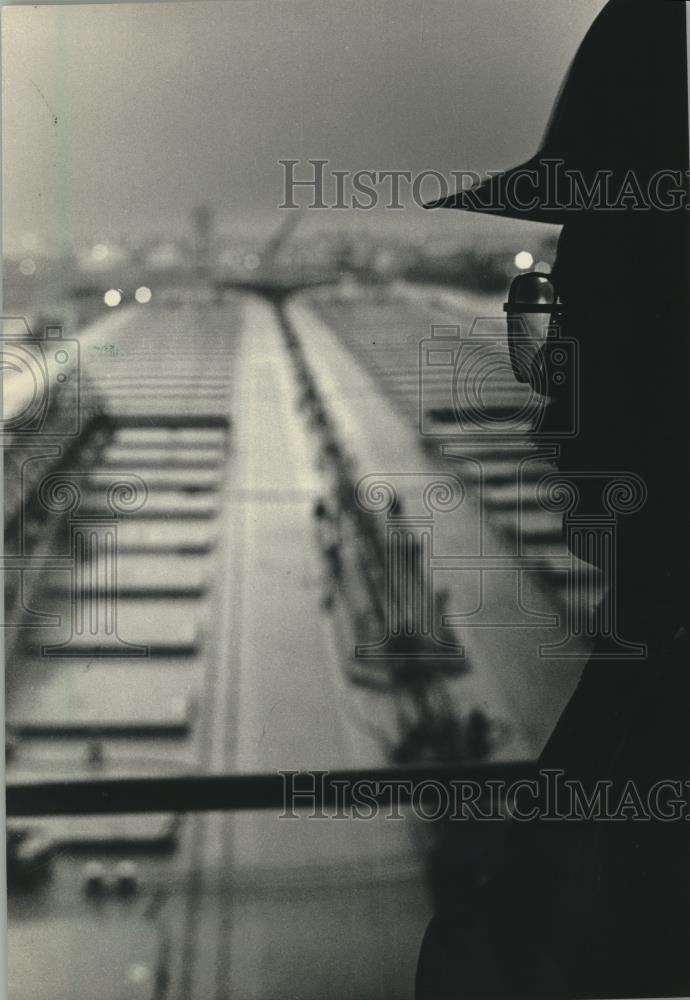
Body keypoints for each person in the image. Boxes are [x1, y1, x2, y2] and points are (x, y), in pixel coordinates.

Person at [417, 1, 690, 995]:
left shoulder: (652, 696)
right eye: (542, 334)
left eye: (590, 341)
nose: (549, 420)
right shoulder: (647, 673)